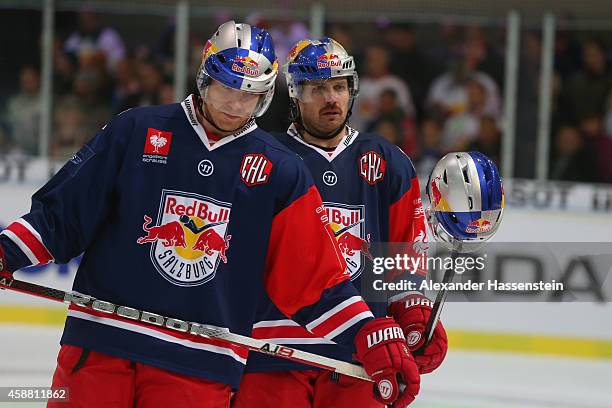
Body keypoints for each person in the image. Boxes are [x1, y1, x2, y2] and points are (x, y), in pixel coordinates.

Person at [0, 23, 417, 408]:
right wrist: (6, 252)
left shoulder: (282, 170)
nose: (235, 104)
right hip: (101, 344)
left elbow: (311, 276)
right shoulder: (137, 130)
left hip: (198, 365)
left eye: (250, 93)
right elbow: (61, 218)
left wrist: (368, 334)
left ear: (267, 94)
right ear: (204, 79)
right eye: (226, 89)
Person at [233, 38, 448, 408]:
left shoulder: (388, 162)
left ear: (352, 91)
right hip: (272, 351)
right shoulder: (262, 155)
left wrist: (413, 314)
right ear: (296, 95)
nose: (331, 98)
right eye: (317, 88)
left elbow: (404, 259)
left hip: (359, 356)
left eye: (338, 86)